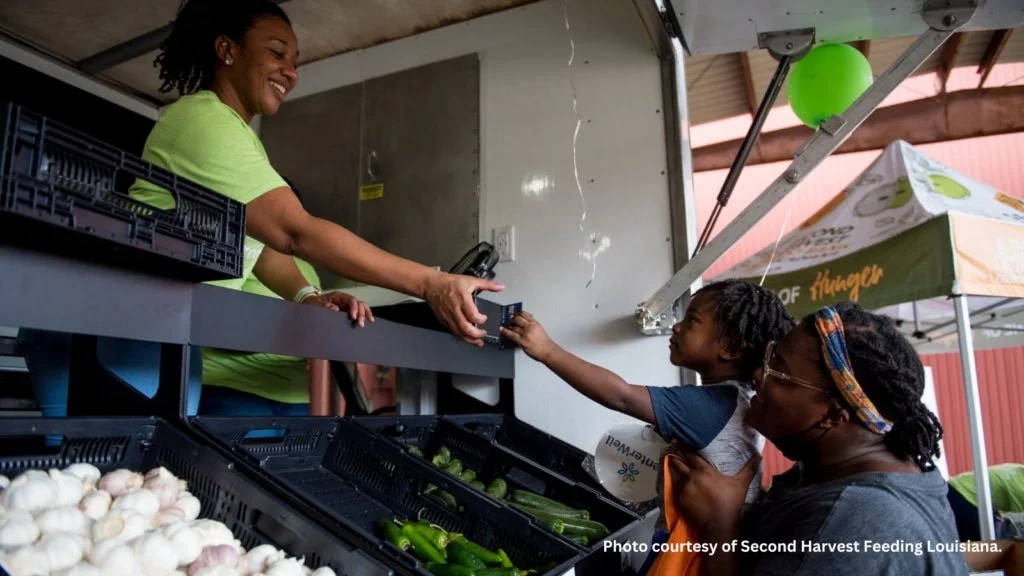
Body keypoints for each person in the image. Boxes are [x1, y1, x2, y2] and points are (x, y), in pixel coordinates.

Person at [499, 279, 795, 574]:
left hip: (690, 555)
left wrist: (548, 350)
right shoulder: (739, 401)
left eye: (691, 320)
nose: (677, 327)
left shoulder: (713, 403)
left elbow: (621, 395)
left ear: (729, 348)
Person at [665, 301, 970, 576]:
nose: (759, 373)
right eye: (772, 355)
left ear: (833, 415)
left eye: (779, 372)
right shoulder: (843, 474)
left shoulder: (854, 521)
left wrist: (719, 528)